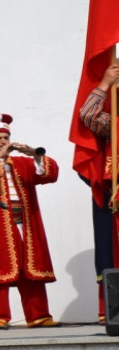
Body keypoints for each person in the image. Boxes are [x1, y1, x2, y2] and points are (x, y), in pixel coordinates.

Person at [0, 114, 60, 329]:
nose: (4, 142)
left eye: (6, 137)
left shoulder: (23, 163)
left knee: (30, 266)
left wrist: (34, 154)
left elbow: (50, 174)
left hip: (26, 223)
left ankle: (38, 315)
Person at [77, 64, 119, 322]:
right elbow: (88, 115)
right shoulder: (112, 123)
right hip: (114, 194)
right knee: (112, 251)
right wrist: (104, 83)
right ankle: (114, 310)